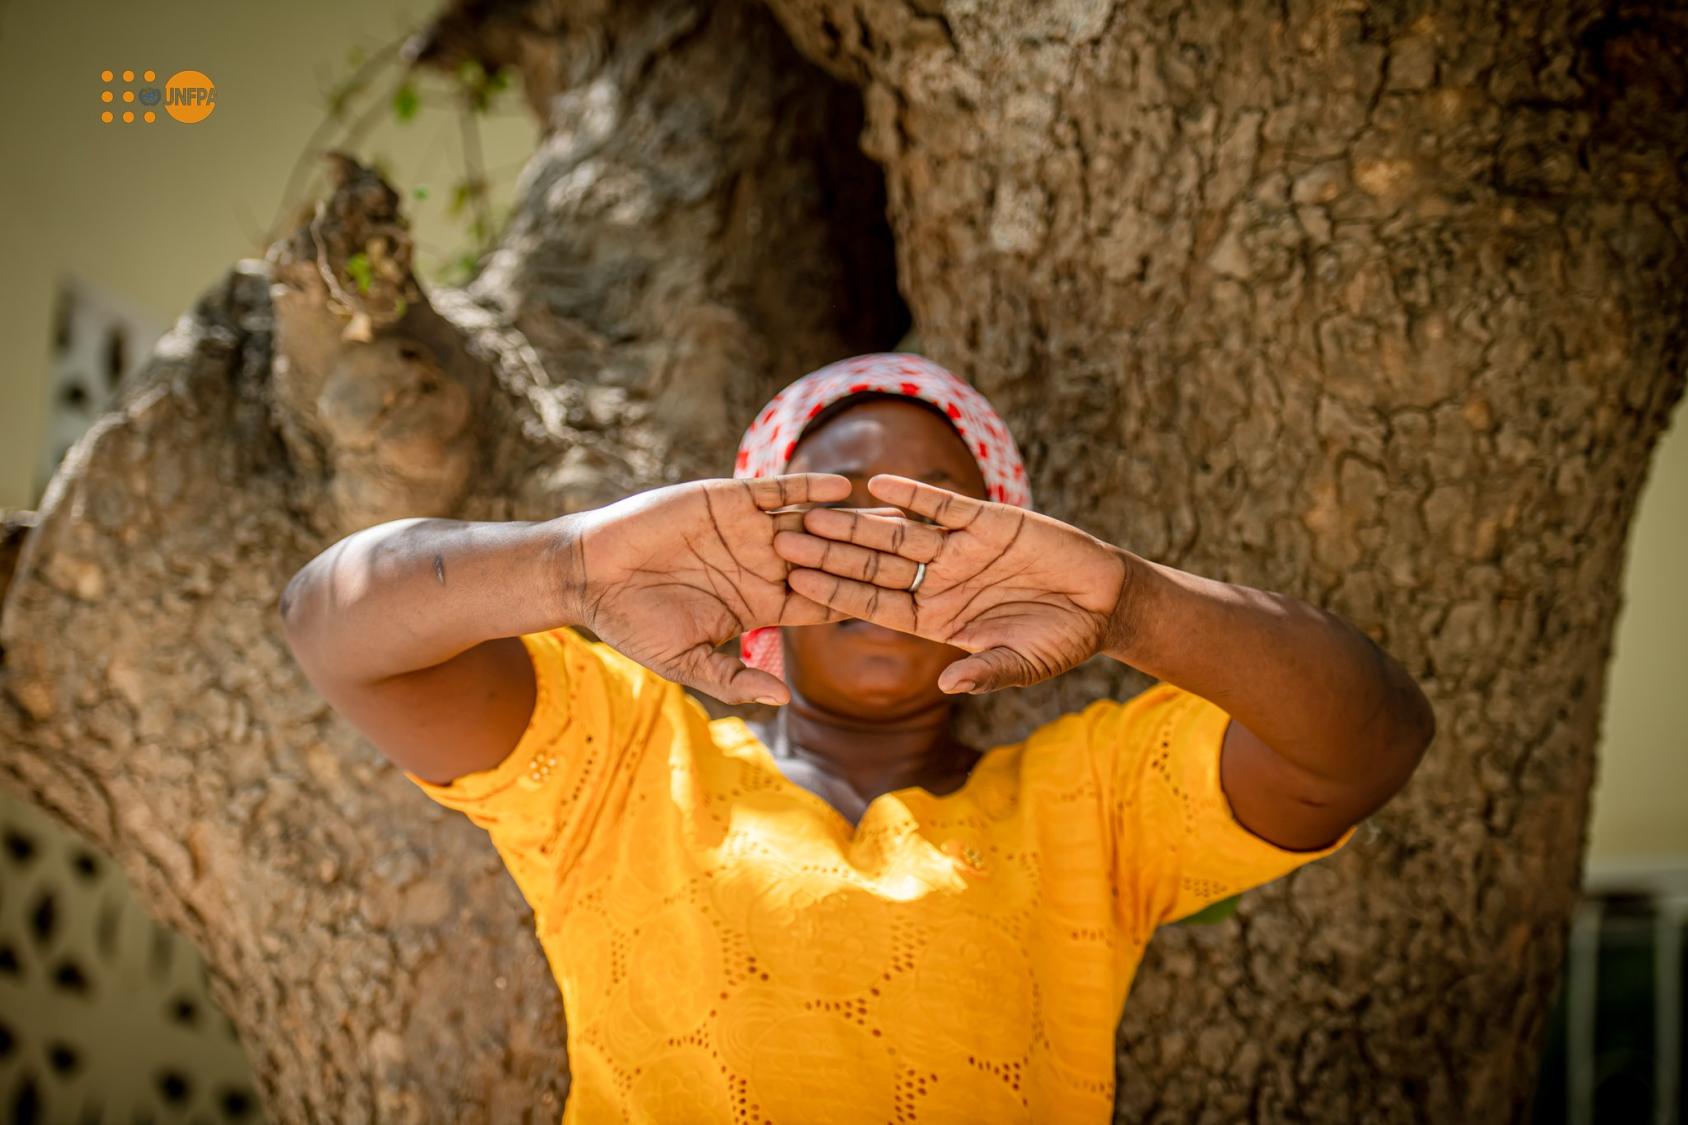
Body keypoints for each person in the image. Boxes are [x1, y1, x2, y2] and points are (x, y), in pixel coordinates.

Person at [280, 352, 1434, 1121]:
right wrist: (573, 565)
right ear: (751, 548)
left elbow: (1368, 741)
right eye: (834, 508)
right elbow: (334, 623)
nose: (885, 551)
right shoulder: (622, 766)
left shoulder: (1093, 801)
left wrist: (1132, 605)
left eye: (938, 512)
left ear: (1011, 563)